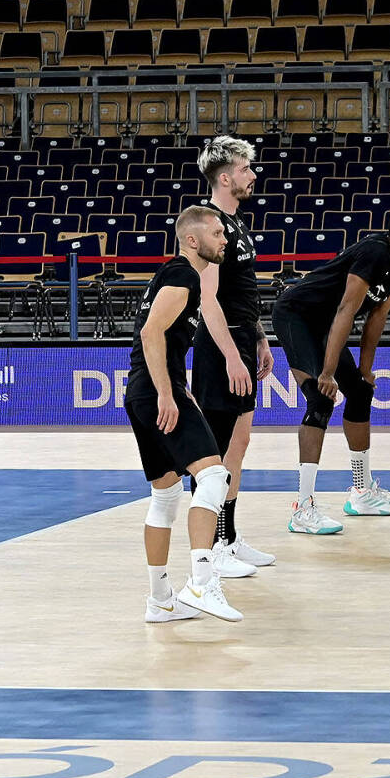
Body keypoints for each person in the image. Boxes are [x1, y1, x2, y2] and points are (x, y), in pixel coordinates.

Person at [270, 207, 390, 534]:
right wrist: (327, 372)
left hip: (325, 324)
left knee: (359, 392)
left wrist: (365, 370)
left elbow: (377, 316)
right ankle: (302, 508)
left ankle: (361, 493)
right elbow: (347, 309)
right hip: (297, 316)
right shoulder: (374, 253)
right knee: (320, 400)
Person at [125, 206, 241, 623]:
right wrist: (166, 393)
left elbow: (161, 339)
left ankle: (160, 600)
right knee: (213, 477)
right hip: (155, 392)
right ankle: (201, 583)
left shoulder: (173, 274)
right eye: (217, 233)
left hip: (142, 392)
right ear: (193, 240)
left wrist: (175, 386)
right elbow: (150, 332)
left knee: (165, 497)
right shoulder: (183, 274)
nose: (224, 239)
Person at [190, 136, 276, 575]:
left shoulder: (236, 223)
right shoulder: (209, 223)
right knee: (214, 452)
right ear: (224, 178)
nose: (252, 175)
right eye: (245, 169)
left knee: (238, 446)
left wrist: (259, 338)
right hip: (218, 346)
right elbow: (208, 300)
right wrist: (230, 356)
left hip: (242, 338)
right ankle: (209, 550)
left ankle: (228, 537)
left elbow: (241, 292)